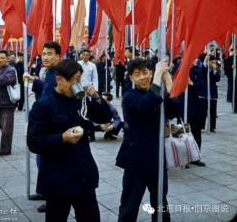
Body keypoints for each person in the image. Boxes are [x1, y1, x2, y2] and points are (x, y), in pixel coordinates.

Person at [27, 59, 112, 222]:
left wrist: (95, 97)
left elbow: (104, 117)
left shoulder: (80, 100)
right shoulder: (42, 106)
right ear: (59, 80)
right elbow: (34, 141)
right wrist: (62, 138)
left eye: (79, 79)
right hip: (58, 178)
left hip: (83, 174)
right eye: (72, 80)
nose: (76, 84)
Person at [116, 58, 172, 222]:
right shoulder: (129, 96)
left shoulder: (158, 94)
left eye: (146, 72)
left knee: (160, 201)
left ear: (151, 72)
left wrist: (167, 78)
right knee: (130, 203)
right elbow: (144, 104)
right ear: (131, 78)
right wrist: (156, 79)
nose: (142, 77)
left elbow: (175, 107)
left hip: (157, 158)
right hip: (136, 159)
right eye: (137, 74)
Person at [24, 41, 61, 210]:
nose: (45, 57)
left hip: (52, 125)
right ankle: (45, 191)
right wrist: (33, 80)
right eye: (43, 54)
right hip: (44, 122)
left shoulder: (58, 73)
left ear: (57, 56)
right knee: (42, 161)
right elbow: (46, 88)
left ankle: (52, 198)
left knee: (49, 163)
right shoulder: (49, 72)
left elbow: (52, 95)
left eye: (49, 54)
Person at [200, 54, 221, 132]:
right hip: (204, 92)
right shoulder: (205, 68)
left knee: (213, 110)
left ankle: (212, 127)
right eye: (212, 62)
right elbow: (202, 71)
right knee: (203, 110)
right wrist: (205, 60)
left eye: (214, 62)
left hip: (213, 92)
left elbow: (217, 79)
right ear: (208, 62)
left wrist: (215, 70)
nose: (213, 63)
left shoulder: (215, 69)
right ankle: (201, 126)